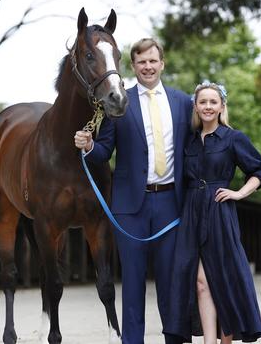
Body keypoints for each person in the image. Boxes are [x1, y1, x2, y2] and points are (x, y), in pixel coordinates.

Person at [74, 38, 193, 344]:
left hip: (171, 205)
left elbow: (195, 151)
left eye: (153, 61)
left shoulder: (183, 103)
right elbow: (104, 152)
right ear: (134, 66)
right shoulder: (119, 102)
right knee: (133, 284)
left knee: (171, 283)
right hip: (130, 209)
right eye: (141, 62)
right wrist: (89, 146)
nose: (148, 67)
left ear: (162, 64)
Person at [163, 82, 261, 343]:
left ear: (221, 106)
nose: (208, 107)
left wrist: (239, 193)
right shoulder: (188, 140)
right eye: (203, 102)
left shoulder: (233, 138)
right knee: (200, 282)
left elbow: (259, 172)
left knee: (223, 279)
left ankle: (226, 340)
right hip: (191, 214)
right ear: (196, 107)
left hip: (220, 213)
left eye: (213, 102)